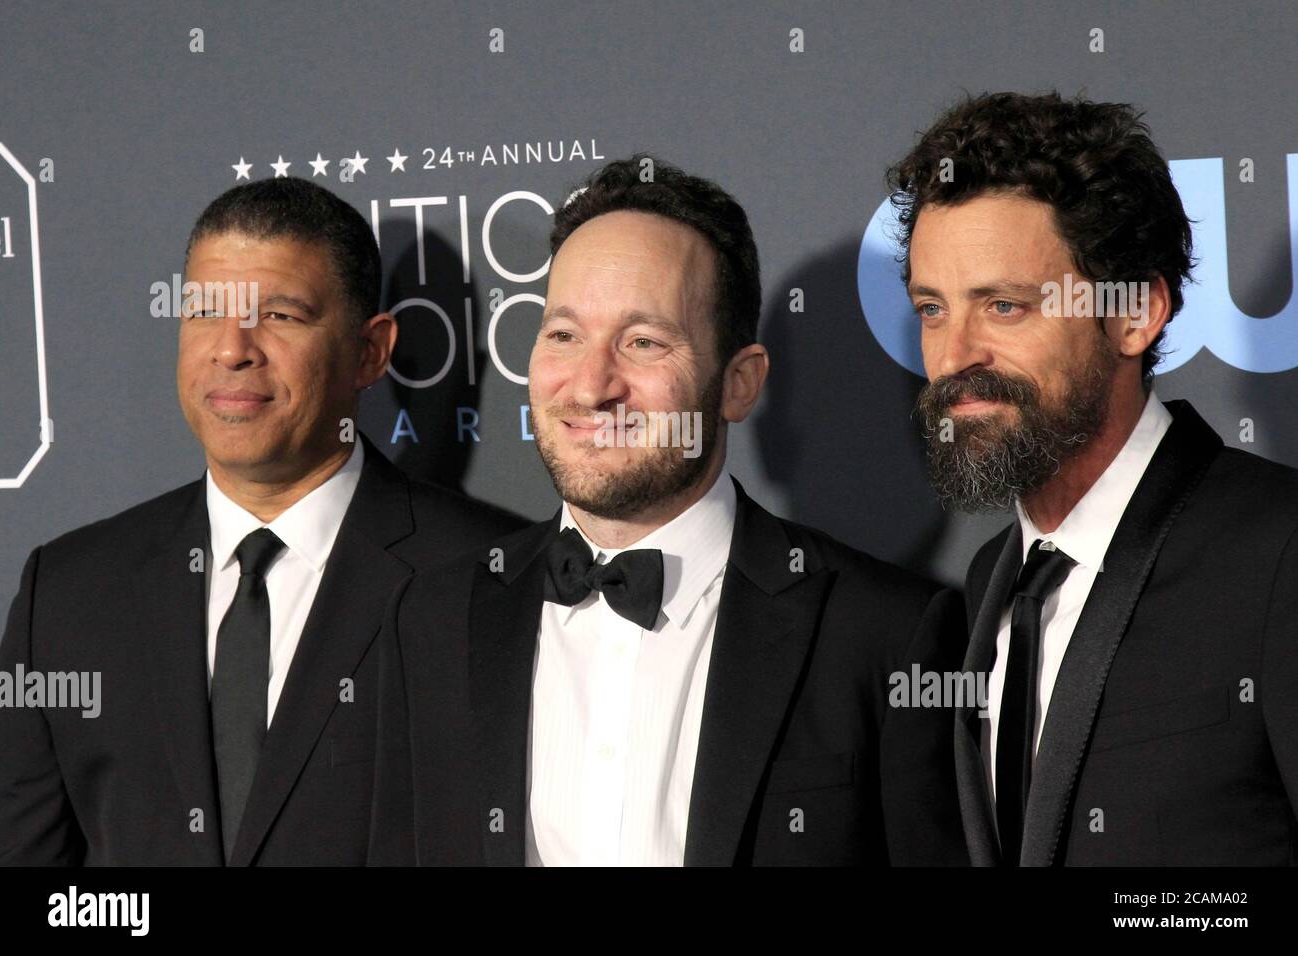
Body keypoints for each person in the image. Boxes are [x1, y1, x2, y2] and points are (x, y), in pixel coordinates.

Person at [369, 156, 967, 866]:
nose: (591, 386)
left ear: (739, 384)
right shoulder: (433, 619)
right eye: (562, 335)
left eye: (643, 342)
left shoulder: (885, 635)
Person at [0, 177, 522, 865]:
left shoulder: (493, 578)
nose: (232, 348)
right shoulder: (67, 594)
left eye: (279, 315)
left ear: (370, 352)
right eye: (206, 311)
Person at [893, 91, 1298, 865]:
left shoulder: (1279, 551)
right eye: (932, 309)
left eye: (1004, 306)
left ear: (1134, 314)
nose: (954, 357)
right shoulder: (990, 584)